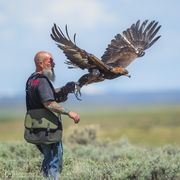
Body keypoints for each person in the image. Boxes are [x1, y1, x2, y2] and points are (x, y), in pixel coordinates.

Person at [24, 51, 80, 179]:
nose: (53, 64)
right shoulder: (43, 81)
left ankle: (44, 177)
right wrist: (69, 112)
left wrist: (64, 90)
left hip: (36, 127)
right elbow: (49, 103)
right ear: (40, 63)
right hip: (48, 128)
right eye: (50, 61)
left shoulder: (32, 80)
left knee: (48, 157)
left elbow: (45, 97)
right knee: (55, 158)